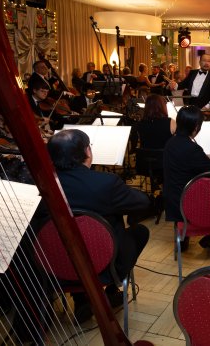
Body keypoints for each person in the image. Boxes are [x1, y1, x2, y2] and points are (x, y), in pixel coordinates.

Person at [46, 129, 151, 322]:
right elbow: (142, 202)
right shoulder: (106, 183)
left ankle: (82, 299)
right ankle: (111, 290)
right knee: (140, 231)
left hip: (58, 263)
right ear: (87, 152)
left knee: (71, 237)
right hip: (104, 266)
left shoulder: (42, 183)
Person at [163, 105, 210, 250]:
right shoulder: (192, 148)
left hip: (172, 198)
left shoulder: (170, 143)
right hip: (186, 201)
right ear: (195, 127)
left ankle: (184, 236)